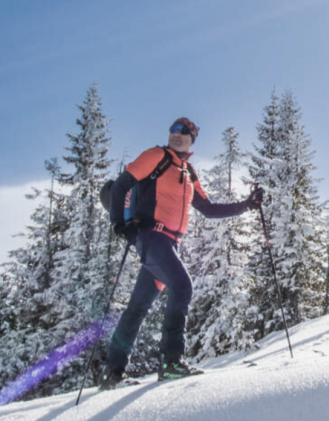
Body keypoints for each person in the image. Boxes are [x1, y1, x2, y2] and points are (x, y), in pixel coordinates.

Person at [100, 117, 264, 389]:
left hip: (169, 244)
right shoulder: (157, 156)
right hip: (153, 237)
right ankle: (171, 361)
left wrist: (247, 205)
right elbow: (121, 184)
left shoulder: (189, 174)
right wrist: (119, 223)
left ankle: (111, 372)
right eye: (174, 130)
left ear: (192, 140)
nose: (177, 135)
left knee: (137, 308)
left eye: (184, 132)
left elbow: (209, 210)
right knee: (183, 286)